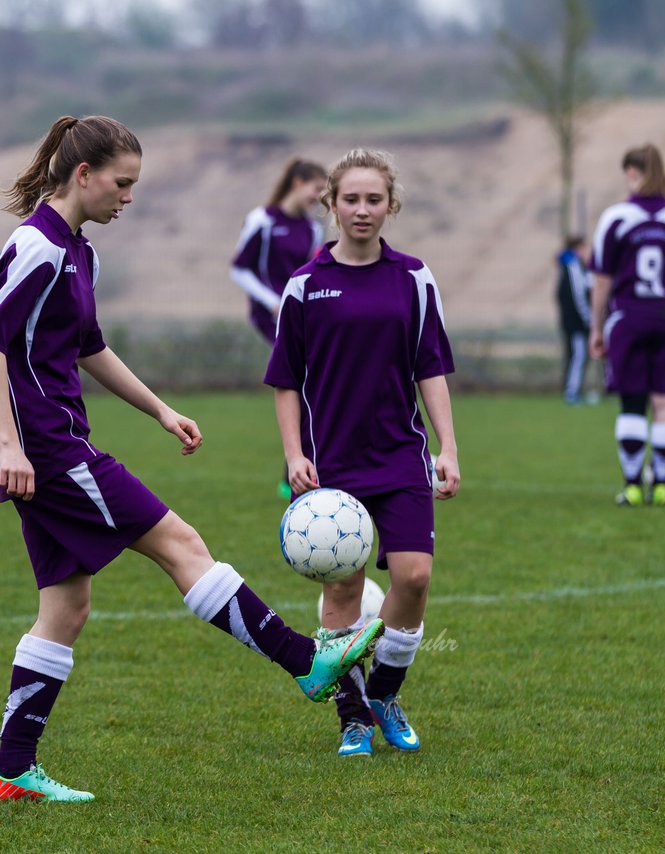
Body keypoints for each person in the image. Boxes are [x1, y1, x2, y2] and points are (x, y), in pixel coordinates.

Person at [0, 116, 383, 802]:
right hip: (48, 447)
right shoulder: (37, 247)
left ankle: (13, 769)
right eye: (122, 183)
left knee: (66, 606)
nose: (128, 197)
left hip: (50, 443)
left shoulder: (78, 251)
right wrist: (11, 445)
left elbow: (88, 348)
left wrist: (160, 410)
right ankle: (305, 660)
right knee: (180, 543)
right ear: (84, 175)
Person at [265, 148, 460, 758]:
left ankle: (383, 693)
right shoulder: (305, 284)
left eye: (374, 199)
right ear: (331, 204)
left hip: (401, 455)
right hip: (333, 464)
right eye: (351, 198)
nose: (362, 210)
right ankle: (352, 719)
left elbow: (431, 369)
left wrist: (447, 448)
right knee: (344, 593)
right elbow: (285, 380)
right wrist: (294, 455)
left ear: (391, 206)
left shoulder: (413, 278)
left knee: (415, 577)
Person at [589, 144, 665, 507]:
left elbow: (602, 280)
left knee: (633, 403)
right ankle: (664, 485)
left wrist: (595, 326)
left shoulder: (617, 218)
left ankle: (634, 486)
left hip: (629, 318)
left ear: (632, 173)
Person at [231, 159, 326, 500]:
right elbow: (240, 269)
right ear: (298, 182)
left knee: (313, 384)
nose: (319, 197)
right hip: (271, 317)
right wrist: (273, 301)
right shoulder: (263, 220)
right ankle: (294, 472)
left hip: (302, 315)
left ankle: (300, 469)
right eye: (316, 189)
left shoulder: (313, 229)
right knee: (300, 382)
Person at [556, 235, 595, 405]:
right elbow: (579, 296)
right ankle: (572, 392)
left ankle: (575, 390)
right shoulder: (573, 267)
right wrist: (590, 320)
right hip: (576, 323)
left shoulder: (572, 266)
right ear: (577, 248)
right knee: (578, 355)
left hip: (574, 322)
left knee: (578, 355)